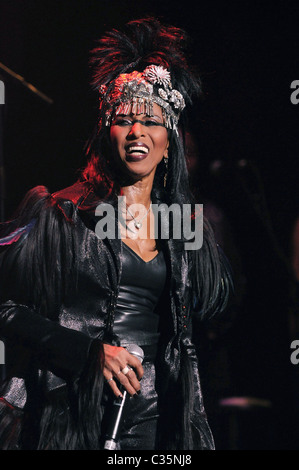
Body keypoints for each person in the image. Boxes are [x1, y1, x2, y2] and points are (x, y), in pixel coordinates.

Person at [0, 17, 232, 450]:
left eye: (151, 121)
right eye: (124, 120)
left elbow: (203, 319)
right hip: (70, 409)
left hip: (155, 416)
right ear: (107, 133)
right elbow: (7, 308)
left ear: (170, 141)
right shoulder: (62, 212)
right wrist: (88, 353)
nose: (137, 131)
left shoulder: (184, 227)